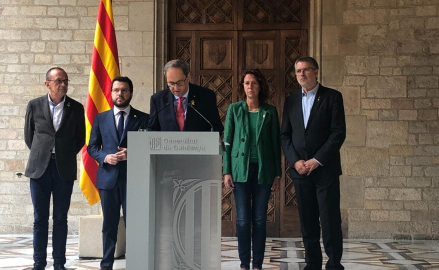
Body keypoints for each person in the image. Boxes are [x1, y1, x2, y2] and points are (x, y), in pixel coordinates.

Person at [280, 56, 346, 270]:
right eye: (298, 71)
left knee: (329, 221)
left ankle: (335, 264)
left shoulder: (333, 97)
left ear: (316, 72)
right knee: (307, 222)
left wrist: (317, 160)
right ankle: (312, 264)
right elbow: (285, 136)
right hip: (300, 171)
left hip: (325, 170)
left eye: (306, 70)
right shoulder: (290, 101)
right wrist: (296, 161)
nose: (301, 74)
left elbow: (338, 134)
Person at [24, 67, 86, 270]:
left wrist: (63, 154)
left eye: (66, 81)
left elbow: (80, 139)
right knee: (39, 219)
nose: (63, 84)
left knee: (60, 219)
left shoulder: (76, 108)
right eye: (59, 81)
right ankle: (39, 263)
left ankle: (59, 263)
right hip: (39, 169)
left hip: (63, 170)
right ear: (47, 84)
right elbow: (29, 136)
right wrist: (43, 153)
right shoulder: (34, 105)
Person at [87, 76, 149, 270]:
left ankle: (136, 262)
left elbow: (150, 145)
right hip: (108, 179)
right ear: (111, 93)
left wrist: (134, 152)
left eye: (124, 90)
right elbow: (92, 147)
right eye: (116, 90)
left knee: (135, 224)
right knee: (109, 224)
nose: (120, 94)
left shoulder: (144, 118)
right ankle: (106, 264)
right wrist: (106, 157)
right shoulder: (100, 118)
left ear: (131, 93)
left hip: (134, 179)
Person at [223, 69, 281, 270]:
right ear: (242, 87)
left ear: (260, 86)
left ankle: (257, 265)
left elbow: (276, 144)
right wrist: (227, 171)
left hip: (263, 171)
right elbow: (228, 142)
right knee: (242, 220)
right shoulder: (234, 109)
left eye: (254, 83)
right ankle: (243, 265)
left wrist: (277, 174)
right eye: (246, 83)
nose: (250, 87)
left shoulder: (270, 111)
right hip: (240, 171)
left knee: (258, 220)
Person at [148, 59, 223, 133]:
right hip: (167, 144)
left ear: (188, 77)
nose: (176, 88)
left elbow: (216, 127)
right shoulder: (158, 99)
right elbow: (152, 129)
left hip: (198, 144)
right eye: (171, 83)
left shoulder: (206, 96)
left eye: (179, 82)